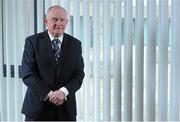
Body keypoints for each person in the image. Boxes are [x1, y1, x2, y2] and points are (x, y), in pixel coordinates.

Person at [21, 5, 84, 121]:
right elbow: (27, 73)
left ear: (67, 22)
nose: (59, 23)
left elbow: (79, 75)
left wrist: (63, 92)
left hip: (65, 111)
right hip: (37, 110)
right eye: (54, 19)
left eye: (62, 20)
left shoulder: (75, 45)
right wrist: (50, 94)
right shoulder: (32, 42)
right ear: (46, 21)